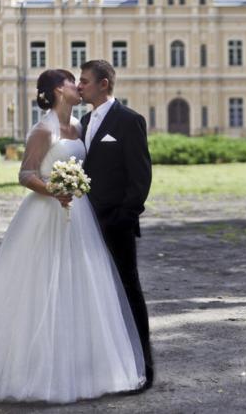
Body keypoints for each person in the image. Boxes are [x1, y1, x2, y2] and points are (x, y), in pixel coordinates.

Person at [0, 69, 146, 403]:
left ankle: (84, 367)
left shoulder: (80, 126)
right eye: (70, 82)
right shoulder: (43, 130)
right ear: (57, 91)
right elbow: (25, 174)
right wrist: (55, 190)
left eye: (81, 81)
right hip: (45, 214)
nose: (78, 86)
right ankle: (29, 368)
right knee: (39, 286)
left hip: (79, 217)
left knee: (81, 287)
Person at [77, 59, 154, 390]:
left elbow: (141, 175)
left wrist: (125, 214)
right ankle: (104, 364)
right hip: (84, 224)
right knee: (94, 293)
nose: (79, 87)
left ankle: (143, 367)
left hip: (116, 224)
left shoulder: (129, 121)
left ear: (104, 84)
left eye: (84, 81)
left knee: (128, 290)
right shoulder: (83, 121)